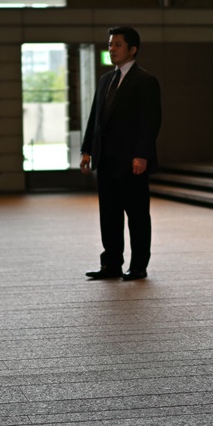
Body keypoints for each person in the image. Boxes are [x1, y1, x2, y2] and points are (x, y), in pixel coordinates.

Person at [81, 26, 162, 281]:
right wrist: (87, 150)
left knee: (137, 216)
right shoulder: (106, 79)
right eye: (110, 44)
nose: (112, 49)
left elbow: (150, 122)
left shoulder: (145, 81)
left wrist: (142, 154)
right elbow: (95, 118)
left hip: (131, 161)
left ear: (132, 49)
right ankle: (111, 264)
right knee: (109, 215)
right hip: (105, 159)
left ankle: (138, 265)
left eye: (117, 45)